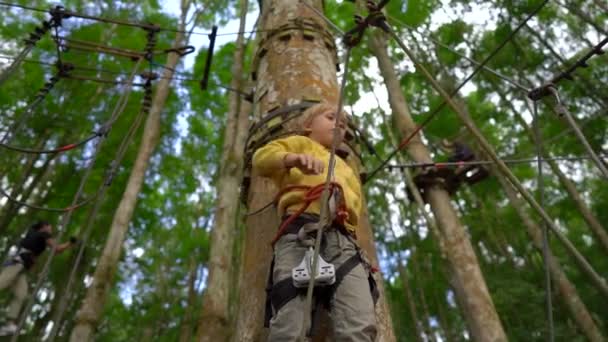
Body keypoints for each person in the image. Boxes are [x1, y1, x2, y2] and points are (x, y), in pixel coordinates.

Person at [253, 102, 378, 341]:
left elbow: (356, 210)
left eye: (343, 125)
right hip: (300, 232)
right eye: (331, 118)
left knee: (360, 322)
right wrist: (293, 159)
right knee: (290, 322)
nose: (339, 126)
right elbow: (261, 159)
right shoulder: (301, 144)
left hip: (344, 242)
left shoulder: (347, 169)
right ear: (308, 126)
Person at [0, 221, 76, 335]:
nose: (51, 230)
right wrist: (70, 243)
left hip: (21, 268)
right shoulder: (43, 234)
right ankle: (10, 323)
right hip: (16, 263)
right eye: (50, 227)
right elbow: (57, 249)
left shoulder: (32, 234)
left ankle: (10, 324)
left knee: (21, 295)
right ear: (44, 227)